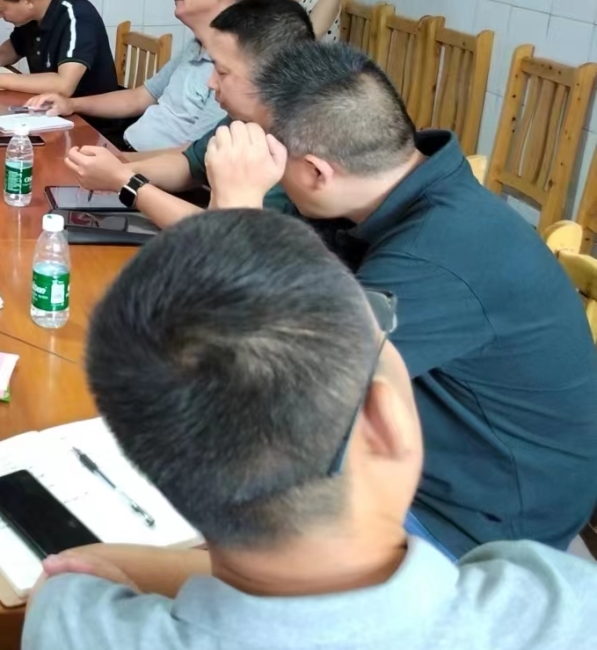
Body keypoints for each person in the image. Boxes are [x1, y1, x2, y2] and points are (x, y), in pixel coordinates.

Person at [21, 208, 597, 650]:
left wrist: (123, 565)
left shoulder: (79, 642)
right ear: (386, 422)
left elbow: (66, 577)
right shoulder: (565, 612)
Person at [206, 42, 597, 557]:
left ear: (318, 172)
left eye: (272, 156)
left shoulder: (432, 254)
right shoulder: (409, 192)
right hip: (446, 458)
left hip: (477, 523)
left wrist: (236, 209)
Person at [64, 0, 313, 227]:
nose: (211, 83)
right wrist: (116, 171)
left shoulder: (298, 149)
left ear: (274, 78)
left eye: (222, 72)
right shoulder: (242, 120)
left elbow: (223, 232)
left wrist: (125, 182)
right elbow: (189, 164)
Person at [29, 0, 259, 151]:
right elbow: (140, 97)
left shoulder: (237, 69)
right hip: (128, 149)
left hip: (151, 172)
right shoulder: (195, 46)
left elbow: (192, 158)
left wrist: (120, 166)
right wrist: (70, 104)